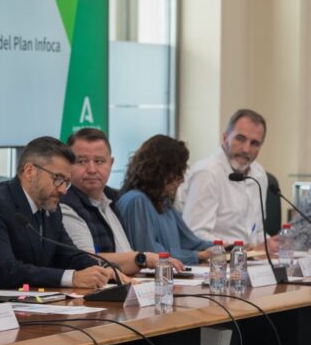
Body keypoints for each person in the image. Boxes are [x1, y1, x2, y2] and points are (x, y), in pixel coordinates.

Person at [0, 136, 114, 290]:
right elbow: (4, 270)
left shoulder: (50, 207)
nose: (63, 190)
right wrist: (72, 278)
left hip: (38, 298)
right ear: (30, 171)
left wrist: (103, 271)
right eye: (58, 178)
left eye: (66, 182)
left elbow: (69, 254)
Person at [61, 128, 184, 275]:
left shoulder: (112, 199)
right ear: (68, 164)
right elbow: (87, 260)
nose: (92, 169)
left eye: (99, 161)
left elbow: (125, 252)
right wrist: (143, 258)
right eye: (82, 161)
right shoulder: (65, 205)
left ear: (111, 163)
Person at [177, 108, 276, 251]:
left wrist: (271, 244)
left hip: (248, 258)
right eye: (240, 139)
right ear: (225, 138)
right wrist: (241, 249)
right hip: (215, 259)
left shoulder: (259, 174)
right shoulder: (207, 173)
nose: (246, 149)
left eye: (254, 143)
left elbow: (257, 232)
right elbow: (194, 235)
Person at [117, 135, 214, 265]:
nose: (182, 180)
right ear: (159, 171)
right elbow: (152, 255)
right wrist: (198, 255)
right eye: (177, 172)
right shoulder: (136, 201)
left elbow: (191, 242)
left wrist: (222, 248)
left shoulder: (163, 202)